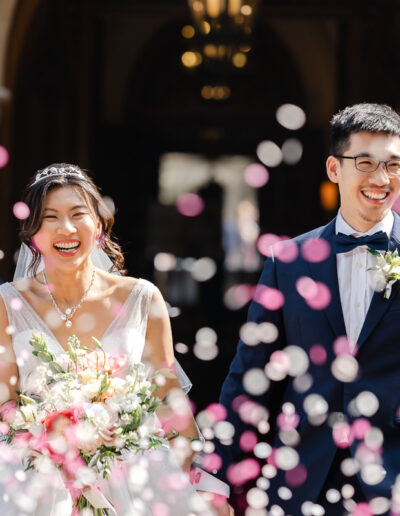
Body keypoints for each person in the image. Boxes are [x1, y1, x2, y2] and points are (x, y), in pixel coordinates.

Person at [0, 163, 230, 515]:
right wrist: (53, 442)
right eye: (50, 217)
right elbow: (6, 405)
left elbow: (167, 395)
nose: (66, 229)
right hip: (39, 479)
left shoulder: (141, 298)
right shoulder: (7, 303)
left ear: (99, 225)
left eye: (78, 214)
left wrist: (179, 474)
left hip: (131, 474)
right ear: (32, 231)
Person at [216, 103, 400, 515]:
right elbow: (251, 374)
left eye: (393, 165)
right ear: (335, 168)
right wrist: (215, 476)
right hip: (302, 481)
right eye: (366, 162)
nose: (381, 179)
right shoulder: (288, 260)